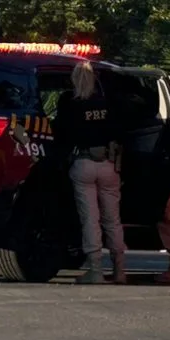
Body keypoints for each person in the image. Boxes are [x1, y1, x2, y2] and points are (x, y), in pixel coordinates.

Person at [59, 60, 126, 285]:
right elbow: (120, 130)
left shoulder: (70, 102)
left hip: (83, 163)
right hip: (108, 163)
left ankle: (95, 270)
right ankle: (119, 270)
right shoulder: (108, 102)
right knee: (113, 219)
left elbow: (61, 133)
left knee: (90, 219)